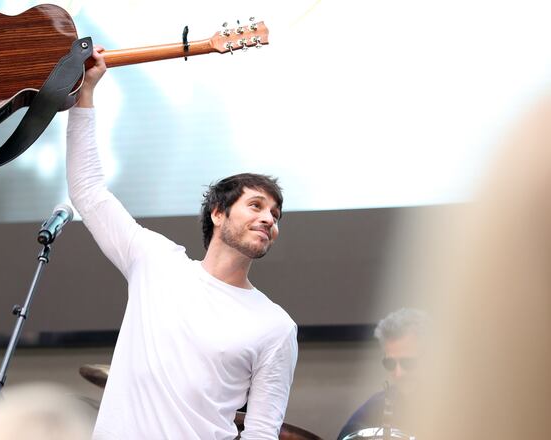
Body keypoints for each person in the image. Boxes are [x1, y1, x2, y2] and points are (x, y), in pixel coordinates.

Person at [66, 46, 298, 439]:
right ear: (218, 213)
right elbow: (88, 191)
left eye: (275, 215)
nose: (268, 219)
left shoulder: (276, 327)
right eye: (256, 205)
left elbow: (261, 431)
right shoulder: (156, 262)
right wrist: (84, 94)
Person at [337, 308, 428, 439]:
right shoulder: (377, 407)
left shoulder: (456, 406)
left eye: (407, 363)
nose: (398, 373)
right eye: (390, 364)